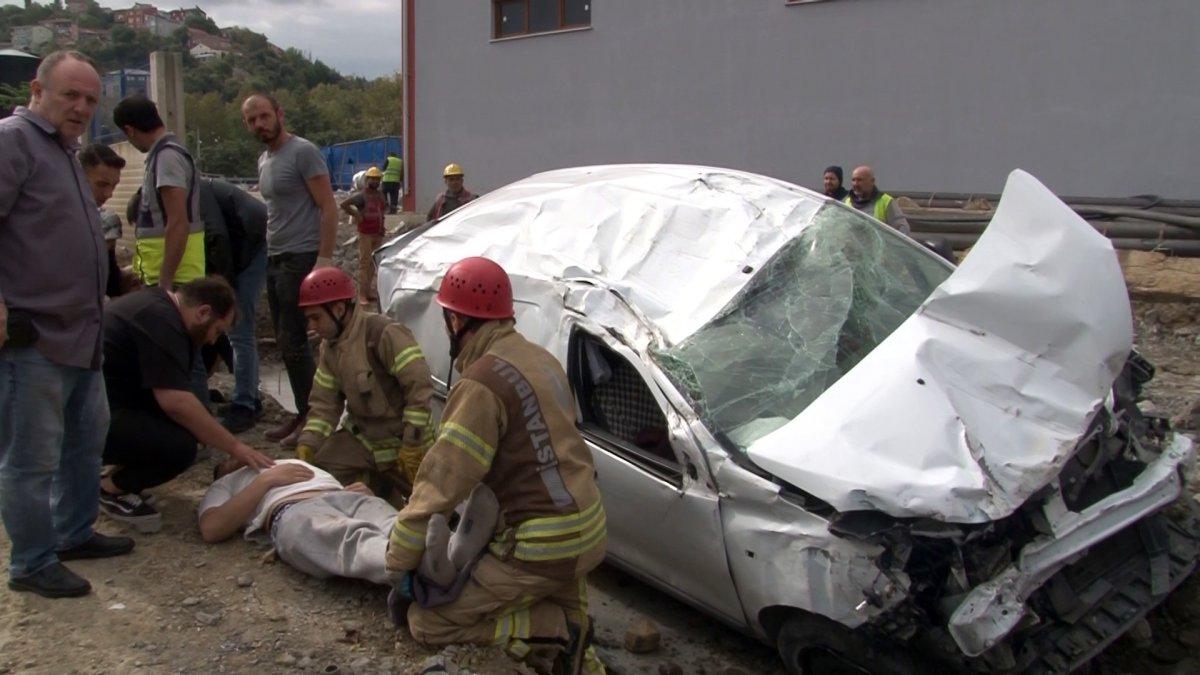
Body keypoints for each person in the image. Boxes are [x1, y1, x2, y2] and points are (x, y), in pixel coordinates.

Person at [385, 257, 606, 675]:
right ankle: (575, 645)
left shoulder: (480, 384)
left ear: (455, 321)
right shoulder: (542, 360)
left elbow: (441, 485)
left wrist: (398, 561)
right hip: (588, 528)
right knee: (579, 647)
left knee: (428, 623)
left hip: (539, 546)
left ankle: (552, 629)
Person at [0, 50, 135, 599]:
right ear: (38, 90)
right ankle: (32, 562)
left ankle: (73, 533)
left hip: (82, 335)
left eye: (90, 100)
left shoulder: (63, 151)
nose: (81, 107)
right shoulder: (13, 141)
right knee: (30, 459)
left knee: (84, 443)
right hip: (35, 337)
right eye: (70, 95)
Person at [100, 277, 274, 532]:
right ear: (203, 312)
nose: (213, 341)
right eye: (217, 331)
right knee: (181, 447)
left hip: (102, 407)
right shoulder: (162, 322)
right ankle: (109, 488)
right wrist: (236, 448)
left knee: (191, 427)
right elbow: (175, 401)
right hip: (89, 420)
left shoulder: (159, 308)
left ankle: (119, 471)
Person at [198, 458, 497, 590]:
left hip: (343, 494)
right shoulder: (229, 482)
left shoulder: (281, 460)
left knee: (394, 523)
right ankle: (422, 568)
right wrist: (265, 481)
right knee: (348, 538)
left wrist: (356, 490)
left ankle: (453, 550)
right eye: (226, 460)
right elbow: (212, 528)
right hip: (292, 511)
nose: (234, 457)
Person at [241, 92, 339, 447]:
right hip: (276, 257)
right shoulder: (264, 159)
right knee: (286, 341)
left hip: (301, 256)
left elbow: (328, 206)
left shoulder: (303, 152)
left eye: (264, 116)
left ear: (279, 114)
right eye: (252, 120)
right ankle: (302, 413)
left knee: (295, 340)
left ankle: (315, 420)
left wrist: (323, 260)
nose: (260, 124)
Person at [294, 267, 434, 499]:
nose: (312, 327)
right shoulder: (330, 348)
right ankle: (378, 493)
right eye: (308, 319)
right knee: (320, 468)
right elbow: (324, 405)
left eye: (316, 318)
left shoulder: (383, 333)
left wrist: (412, 444)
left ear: (339, 310)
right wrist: (308, 444)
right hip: (366, 440)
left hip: (405, 443)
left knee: (428, 506)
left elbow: (419, 388)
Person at [197, 179, 269, 433]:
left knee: (239, 330)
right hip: (243, 246)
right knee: (235, 333)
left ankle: (246, 405)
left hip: (250, 250)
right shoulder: (195, 191)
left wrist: (224, 287)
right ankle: (248, 395)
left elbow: (217, 236)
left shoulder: (196, 191)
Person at [112, 95, 205, 289]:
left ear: (130, 130)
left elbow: (178, 222)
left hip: (177, 278)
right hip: (169, 276)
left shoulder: (167, 157)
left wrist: (165, 281)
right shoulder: (161, 156)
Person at [78, 142, 136, 299]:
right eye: (102, 185)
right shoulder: (56, 219)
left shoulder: (106, 220)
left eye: (114, 185)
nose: (109, 194)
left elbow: (109, 277)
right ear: (78, 177)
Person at [340, 166, 388, 303]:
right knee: (364, 263)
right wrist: (356, 214)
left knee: (373, 263)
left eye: (377, 179)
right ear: (367, 180)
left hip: (378, 233)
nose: (375, 181)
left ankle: (368, 292)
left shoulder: (380, 195)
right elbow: (344, 205)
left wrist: (382, 226)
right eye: (373, 179)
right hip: (366, 233)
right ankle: (362, 294)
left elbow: (382, 210)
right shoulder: (361, 196)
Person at [845, 165, 911, 234]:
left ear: (872, 181)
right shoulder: (848, 202)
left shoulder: (886, 201)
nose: (855, 184)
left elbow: (903, 228)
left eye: (860, 180)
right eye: (853, 180)